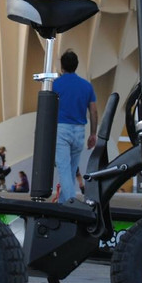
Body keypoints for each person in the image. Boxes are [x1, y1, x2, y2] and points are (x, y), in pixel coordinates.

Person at [53, 49, 97, 205]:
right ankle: (63, 204)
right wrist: (93, 134)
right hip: (79, 130)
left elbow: (49, 108)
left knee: (64, 169)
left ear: (62, 67)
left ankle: (71, 202)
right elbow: (93, 110)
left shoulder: (56, 84)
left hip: (61, 129)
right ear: (76, 66)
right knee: (71, 171)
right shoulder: (86, 86)